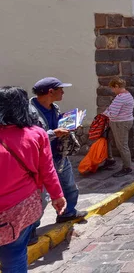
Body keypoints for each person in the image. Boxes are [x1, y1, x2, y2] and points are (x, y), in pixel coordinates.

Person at [0, 86, 66, 272]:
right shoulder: (36, 134)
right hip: (20, 208)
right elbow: (47, 170)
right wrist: (57, 196)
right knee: (14, 256)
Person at [29, 77, 86, 243]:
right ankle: (30, 231)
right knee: (42, 198)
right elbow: (32, 137)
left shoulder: (54, 107)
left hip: (59, 155)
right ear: (50, 92)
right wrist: (54, 133)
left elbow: (59, 122)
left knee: (69, 187)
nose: (63, 92)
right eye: (61, 89)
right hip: (42, 160)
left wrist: (70, 124)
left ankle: (68, 213)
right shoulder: (30, 112)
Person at [102, 78, 134, 178]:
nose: (113, 91)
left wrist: (105, 113)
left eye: (113, 88)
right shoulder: (128, 95)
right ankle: (113, 160)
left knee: (122, 145)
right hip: (126, 121)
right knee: (121, 144)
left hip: (120, 123)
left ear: (116, 86)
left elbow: (113, 113)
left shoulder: (120, 98)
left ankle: (127, 167)